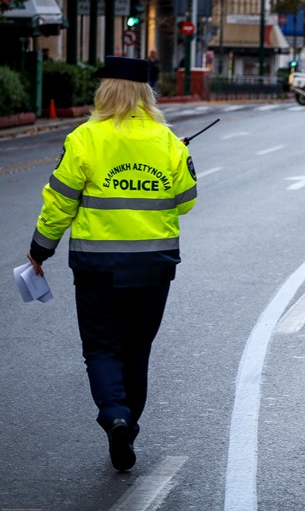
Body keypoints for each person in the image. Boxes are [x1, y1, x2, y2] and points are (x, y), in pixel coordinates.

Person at [26, 56, 197, 472]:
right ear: (146, 94)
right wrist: (179, 164)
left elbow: (59, 204)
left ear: (104, 91)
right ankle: (129, 422)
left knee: (102, 347)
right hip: (153, 266)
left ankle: (115, 416)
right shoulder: (167, 141)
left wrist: (40, 249)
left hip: (97, 266)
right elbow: (186, 202)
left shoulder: (85, 138)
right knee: (138, 349)